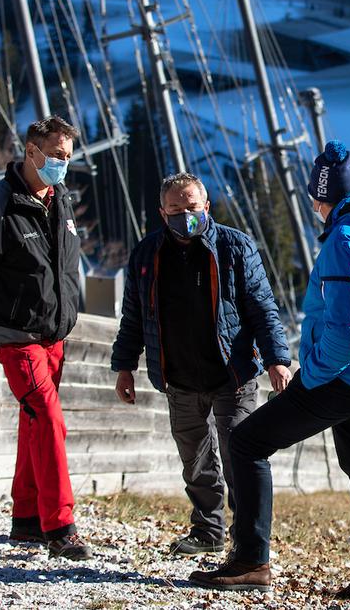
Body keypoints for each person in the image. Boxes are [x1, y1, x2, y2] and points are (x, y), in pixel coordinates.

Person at [189, 141, 350, 603]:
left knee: (248, 443)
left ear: (320, 196)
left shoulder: (347, 240)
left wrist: (307, 378)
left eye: (314, 196)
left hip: (342, 375)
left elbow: (345, 335)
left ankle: (251, 560)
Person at [110, 172, 292, 555]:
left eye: (192, 207)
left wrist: (277, 359)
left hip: (233, 373)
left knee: (237, 454)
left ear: (206, 207)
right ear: (163, 213)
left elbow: (263, 308)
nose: (185, 215)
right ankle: (208, 531)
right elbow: (134, 317)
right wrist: (124, 366)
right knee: (195, 460)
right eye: (176, 209)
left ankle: (248, 539)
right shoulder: (146, 255)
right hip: (178, 377)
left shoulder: (235, 247)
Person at [0, 115, 92, 560]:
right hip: (13, 334)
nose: (63, 164)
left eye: (68, 157)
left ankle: (25, 521)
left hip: (53, 335)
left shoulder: (61, 199)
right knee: (48, 419)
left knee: (34, 423)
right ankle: (60, 527)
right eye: (57, 156)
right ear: (31, 152)